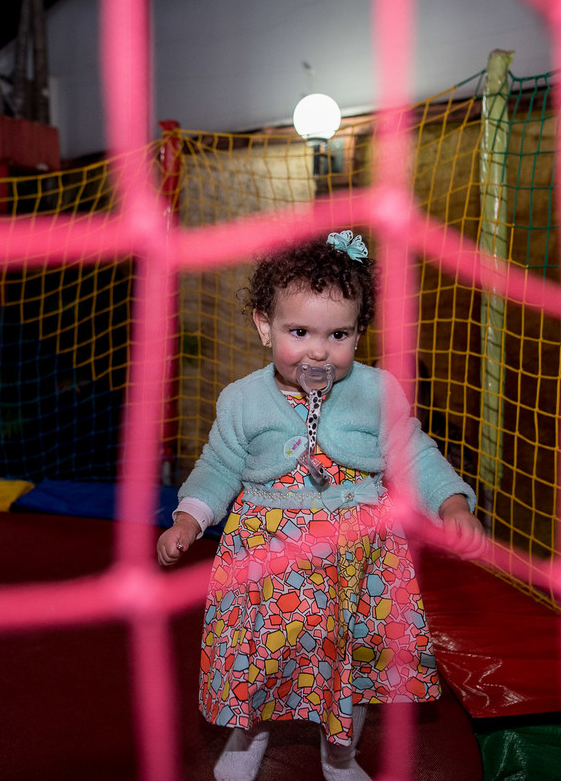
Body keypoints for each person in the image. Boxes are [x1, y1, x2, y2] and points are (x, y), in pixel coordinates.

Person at [156, 231, 486, 781]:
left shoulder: (376, 390)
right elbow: (218, 466)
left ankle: (340, 755)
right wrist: (191, 516)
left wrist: (450, 503)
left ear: (359, 332)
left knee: (353, 660)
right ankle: (245, 741)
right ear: (265, 326)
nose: (318, 350)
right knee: (263, 657)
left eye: (338, 334)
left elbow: (412, 453)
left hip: (358, 558)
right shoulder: (242, 399)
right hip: (271, 557)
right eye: (299, 331)